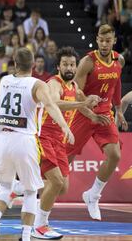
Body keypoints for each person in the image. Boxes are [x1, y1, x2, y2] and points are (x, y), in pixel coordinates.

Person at [0, 47, 74, 241]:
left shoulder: (5, 80)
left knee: (5, 187)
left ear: (14, 64)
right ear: (33, 65)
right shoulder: (37, 84)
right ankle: (26, 236)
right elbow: (51, 105)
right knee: (32, 191)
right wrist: (65, 126)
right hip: (24, 140)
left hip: (1, 140)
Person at [31, 47, 104, 239]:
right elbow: (54, 103)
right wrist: (82, 104)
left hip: (59, 141)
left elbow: (83, 105)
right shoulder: (54, 83)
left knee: (62, 187)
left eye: (72, 64)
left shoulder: (74, 87)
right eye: (65, 64)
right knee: (55, 182)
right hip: (44, 136)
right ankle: (40, 225)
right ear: (58, 66)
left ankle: (22, 187)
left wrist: (94, 116)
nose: (69, 67)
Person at [66, 24, 127, 221]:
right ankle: (28, 186)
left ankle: (93, 195)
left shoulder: (119, 60)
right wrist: (88, 112)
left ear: (114, 41)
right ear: (97, 39)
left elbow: (116, 84)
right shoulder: (87, 62)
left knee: (115, 155)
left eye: (108, 40)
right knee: (63, 161)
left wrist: (118, 110)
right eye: (101, 40)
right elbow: (75, 92)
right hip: (84, 113)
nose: (104, 43)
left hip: (104, 114)